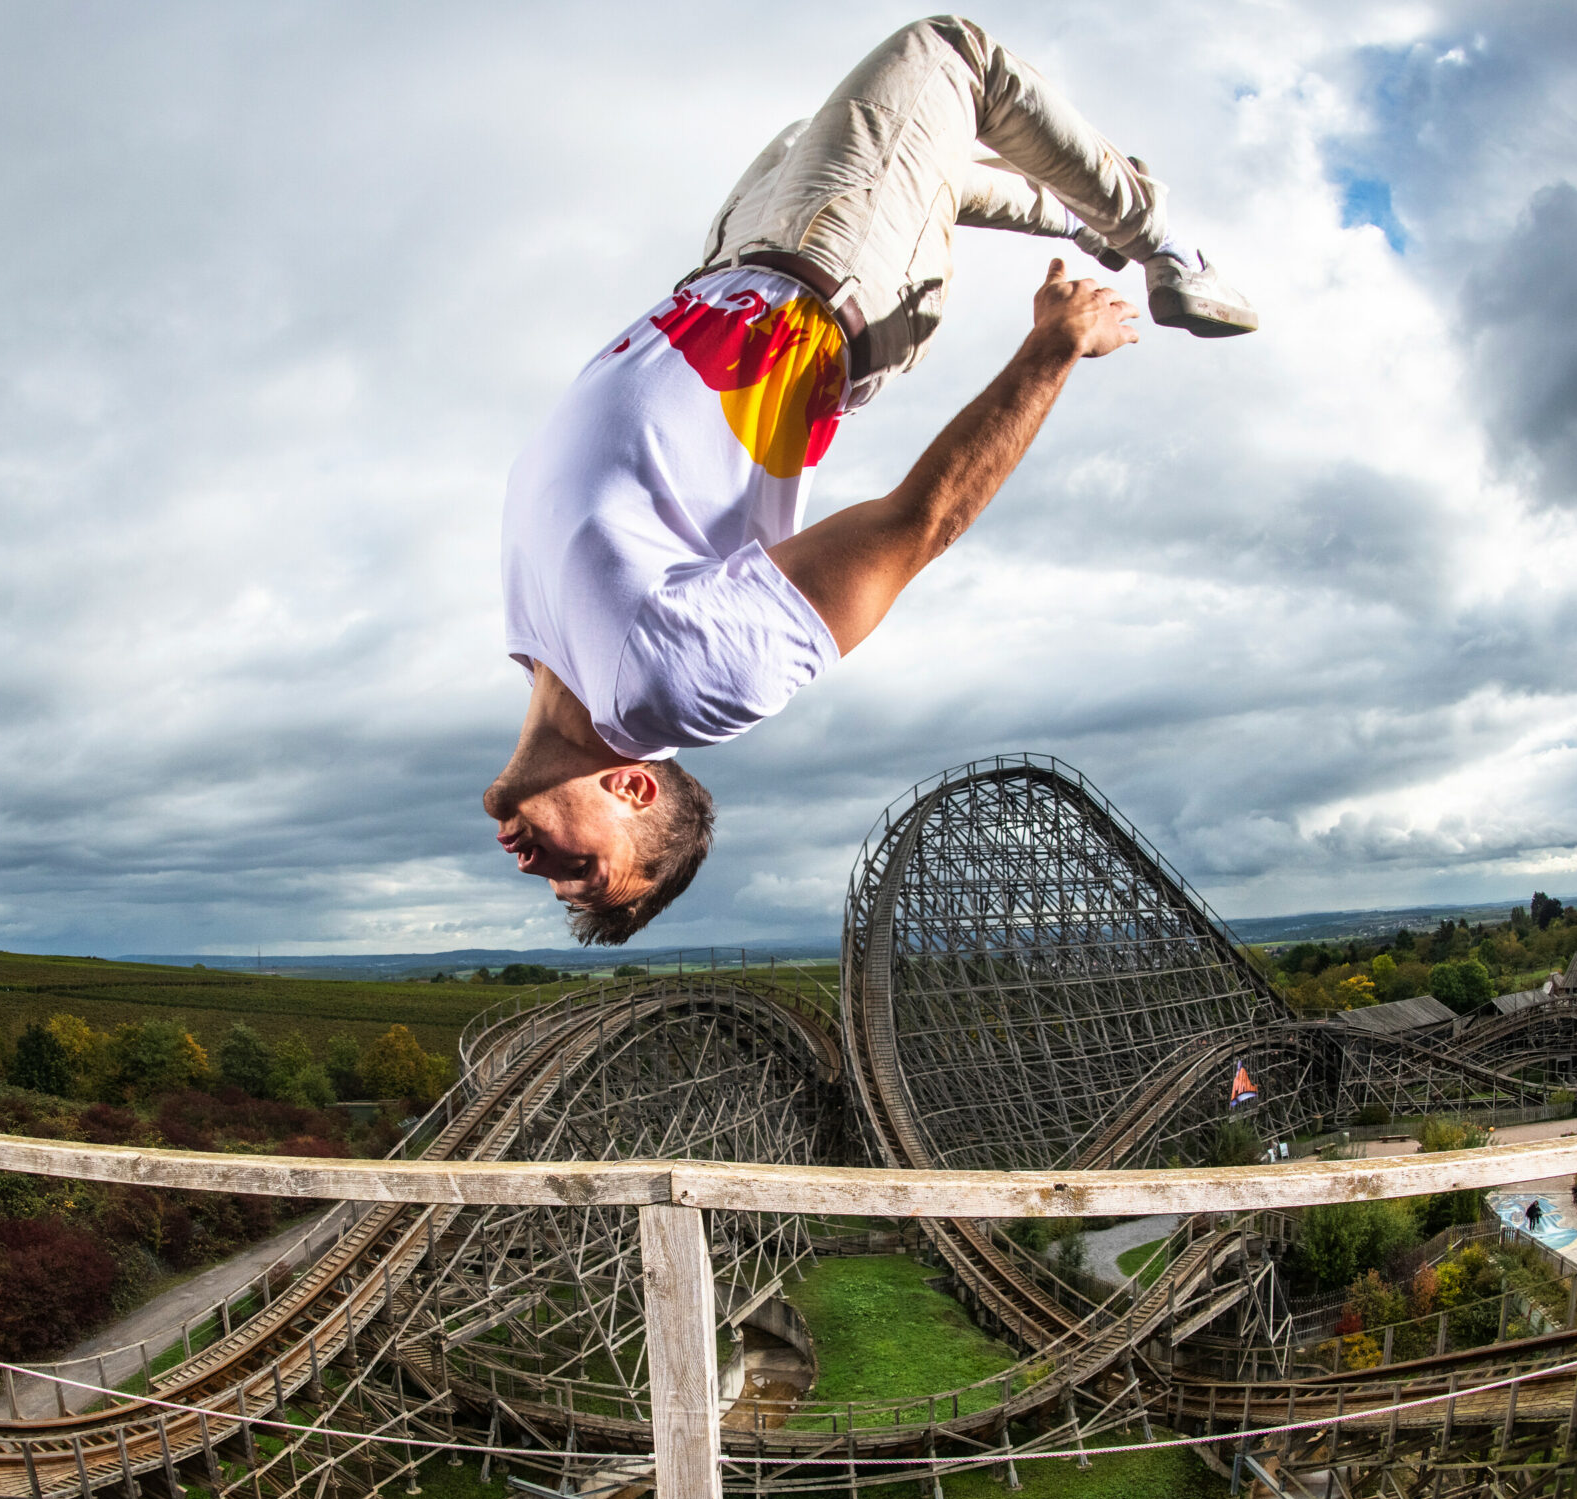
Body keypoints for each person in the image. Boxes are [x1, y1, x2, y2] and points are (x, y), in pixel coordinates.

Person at [488, 17, 1256, 942]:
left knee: (862, 149)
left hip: (734, 257)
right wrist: (1053, 349)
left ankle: (1083, 210)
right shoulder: (673, 685)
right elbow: (914, 525)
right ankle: (1173, 248)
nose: (535, 869)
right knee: (952, 54)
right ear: (634, 786)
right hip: (832, 276)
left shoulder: (535, 638)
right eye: (585, 872)